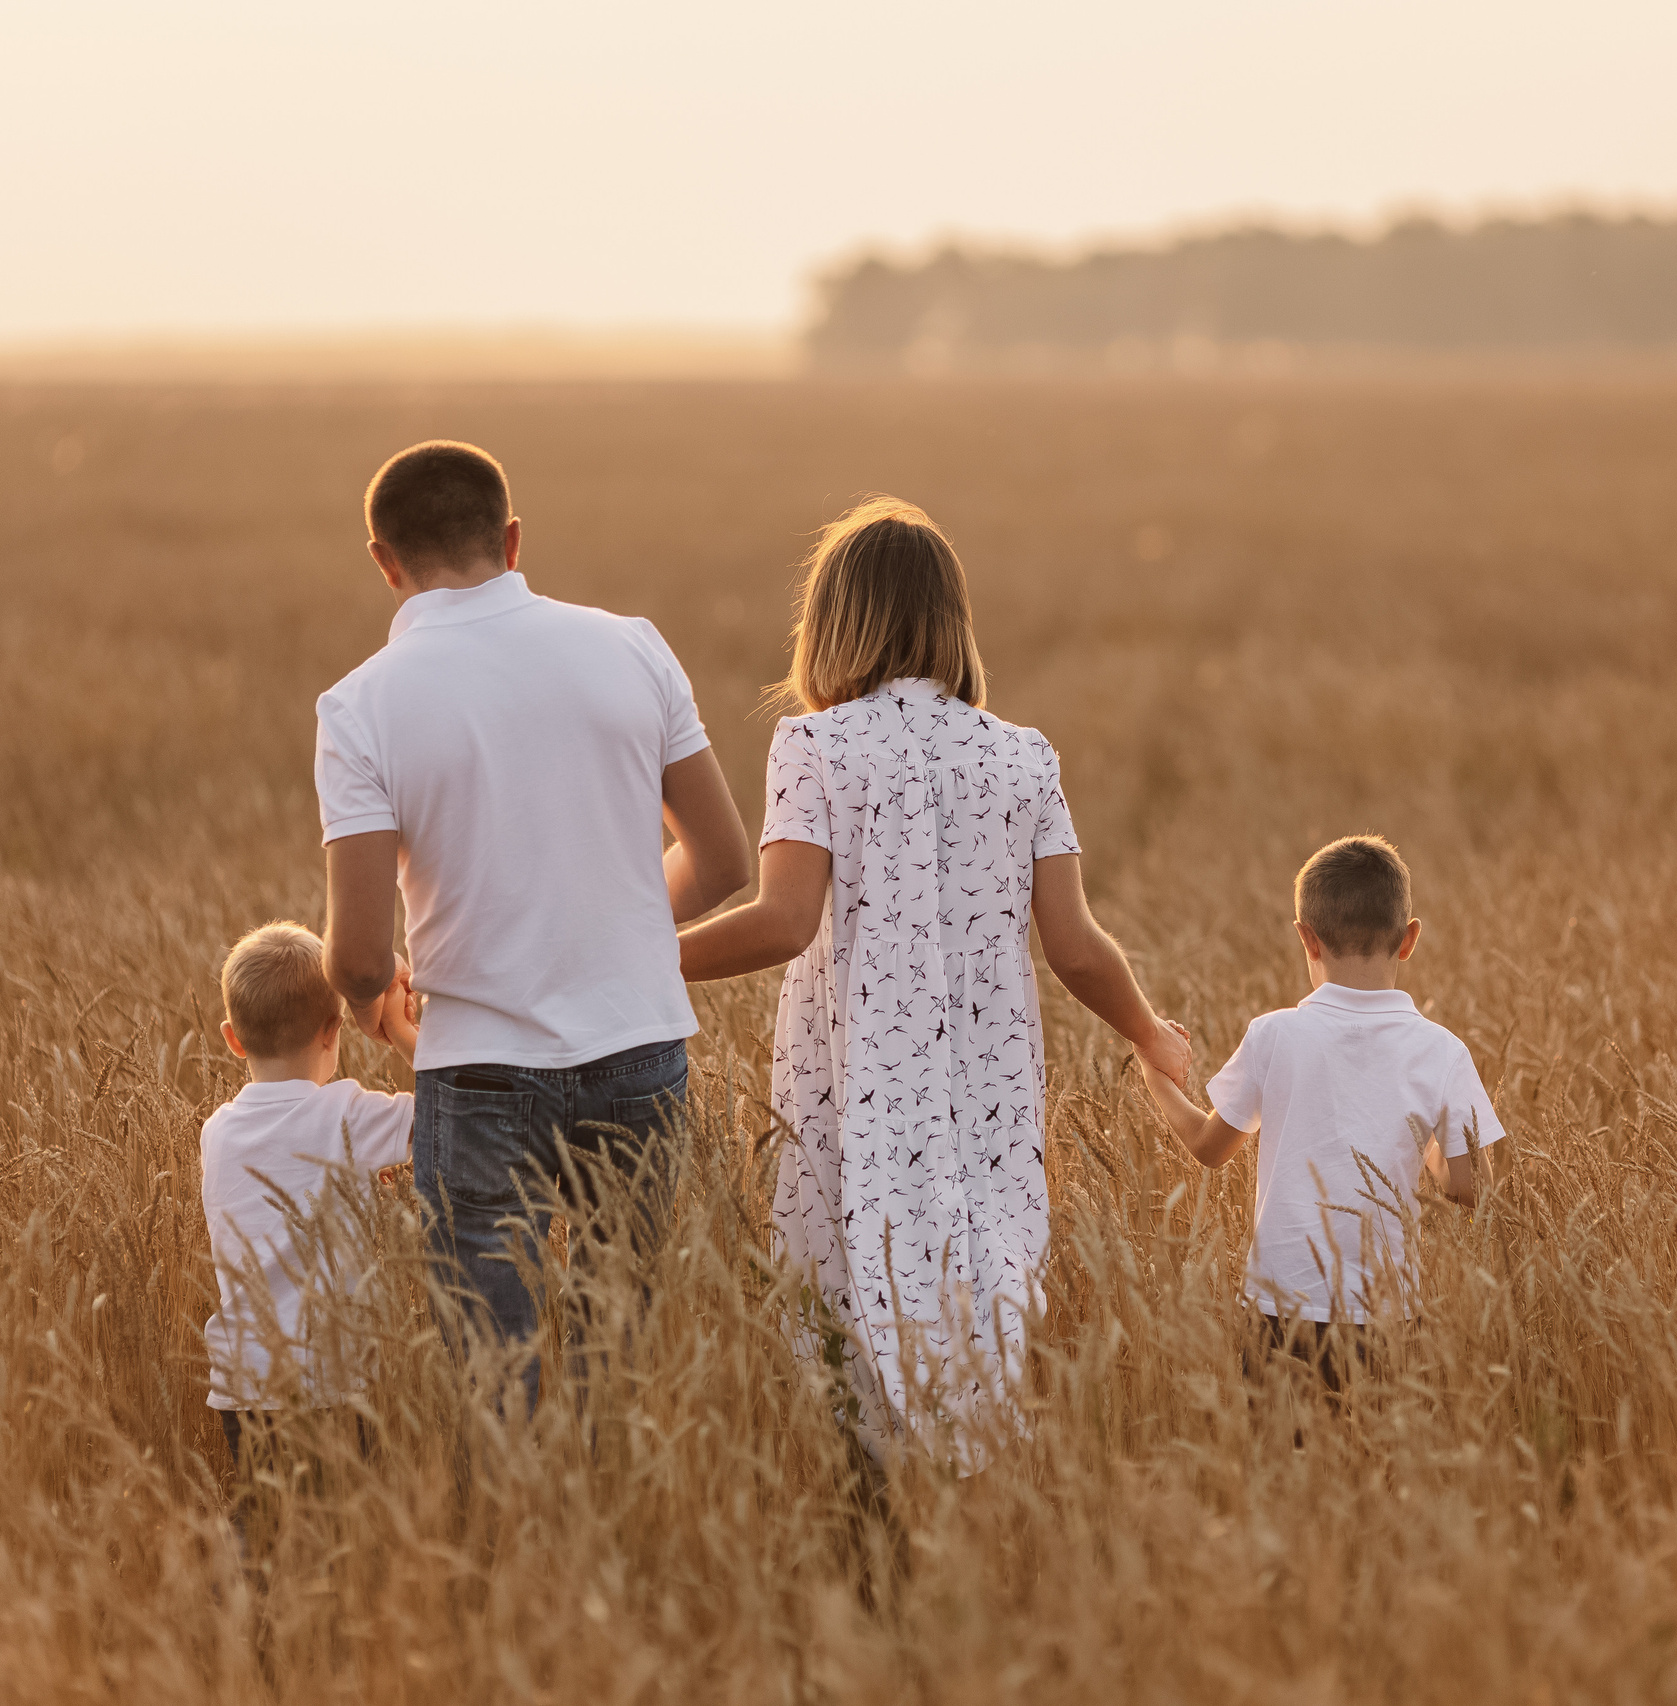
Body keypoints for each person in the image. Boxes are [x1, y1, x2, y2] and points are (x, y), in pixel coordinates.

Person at [677, 496, 1191, 1457]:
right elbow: (1076, 946)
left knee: (845, 1286)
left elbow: (785, 922)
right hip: (984, 1087)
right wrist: (1148, 1032)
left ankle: (873, 1522)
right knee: (977, 1287)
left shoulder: (814, 744)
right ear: (951, 622)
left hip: (853, 1079)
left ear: (831, 624)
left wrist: (650, 962)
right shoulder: (1022, 755)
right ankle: (973, 1498)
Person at [315, 441, 750, 1411]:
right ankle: (611, 1537)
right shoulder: (634, 644)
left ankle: (519, 1548)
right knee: (619, 1361)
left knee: (494, 1374)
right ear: (511, 539)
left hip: (475, 1068)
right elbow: (725, 863)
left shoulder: (360, 706)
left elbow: (354, 953)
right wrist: (610, 928)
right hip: (637, 1045)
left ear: (384, 559)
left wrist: (373, 1002)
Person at [1138, 833, 1503, 1384]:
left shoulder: (1275, 1034)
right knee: (1376, 1464)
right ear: (1409, 939)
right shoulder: (1443, 1051)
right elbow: (1470, 1187)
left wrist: (1153, 1070)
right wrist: (1423, 1144)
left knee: (1282, 1462)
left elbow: (1208, 1149)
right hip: (1388, 1312)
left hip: (1280, 1310)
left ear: (1306, 939)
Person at [201, 922, 417, 1522]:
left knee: (267, 1527)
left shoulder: (215, 1132)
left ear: (232, 1040)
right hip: (331, 1377)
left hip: (244, 1381)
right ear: (333, 1030)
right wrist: (401, 1032)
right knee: (341, 1530)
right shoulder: (344, 1114)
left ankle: (244, 1607)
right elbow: (454, 1113)